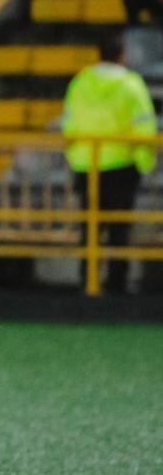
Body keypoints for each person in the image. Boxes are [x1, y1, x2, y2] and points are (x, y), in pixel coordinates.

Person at [61, 31, 157, 294]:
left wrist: (75, 158)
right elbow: (144, 128)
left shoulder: (80, 82)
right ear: (121, 55)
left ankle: (87, 282)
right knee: (119, 229)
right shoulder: (130, 84)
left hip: (86, 165)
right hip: (121, 165)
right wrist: (144, 162)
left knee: (90, 227)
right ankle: (117, 285)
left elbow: (68, 124)